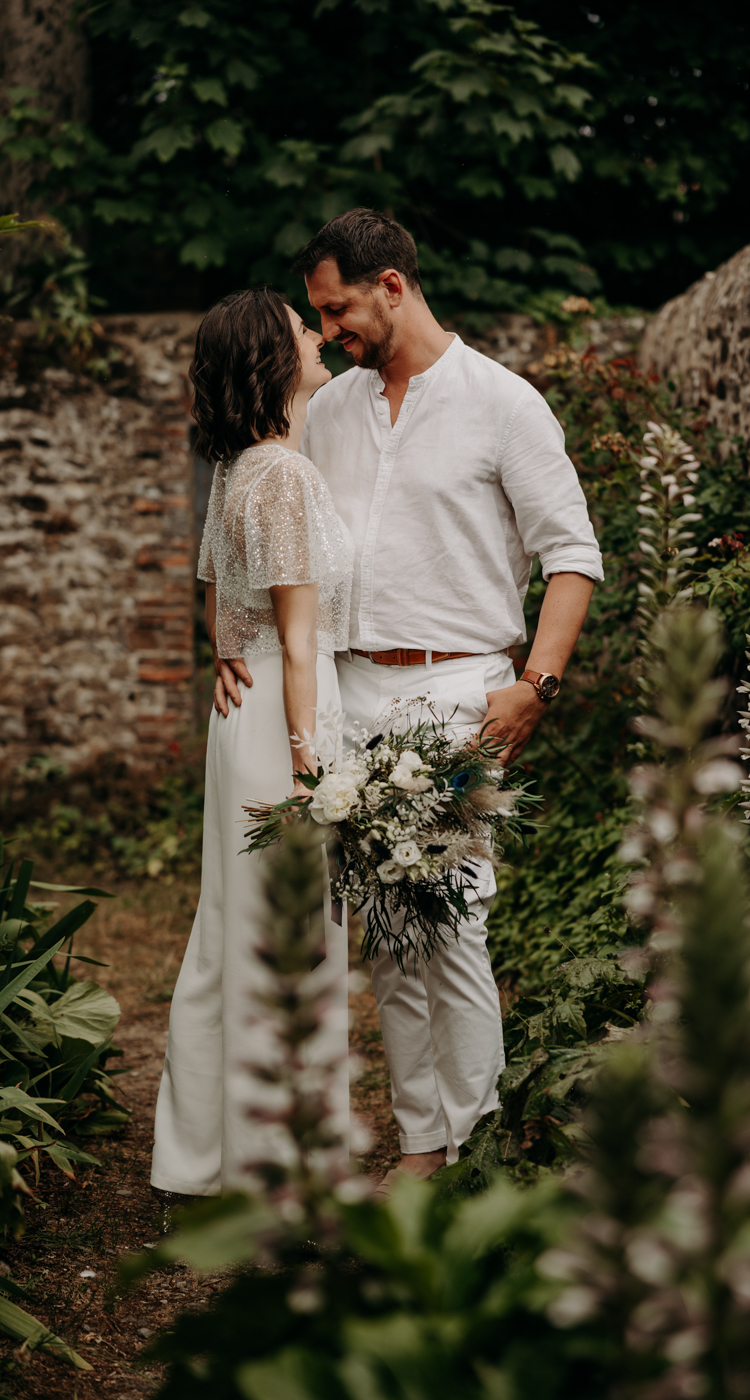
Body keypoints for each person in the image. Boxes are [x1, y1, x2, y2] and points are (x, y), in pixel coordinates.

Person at [218, 210, 603, 1184]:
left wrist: (534, 687)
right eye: (319, 313)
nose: (330, 328)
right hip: (348, 690)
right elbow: (263, 518)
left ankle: (482, 1149)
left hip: (456, 687)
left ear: (392, 285)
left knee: (453, 923)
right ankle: (423, 1143)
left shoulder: (504, 402)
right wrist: (233, 640)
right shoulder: (330, 406)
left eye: (338, 307)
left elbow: (573, 556)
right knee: (387, 936)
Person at [150, 287, 354, 1196]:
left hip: (246, 709)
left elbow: (214, 600)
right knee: (293, 935)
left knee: (232, 926)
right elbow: (301, 639)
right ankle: (284, 1165)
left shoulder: (238, 468)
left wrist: (228, 653)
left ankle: (206, 1152)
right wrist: (314, 766)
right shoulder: (283, 473)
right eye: (300, 327)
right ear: (274, 359)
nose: (317, 335)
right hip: (285, 716)